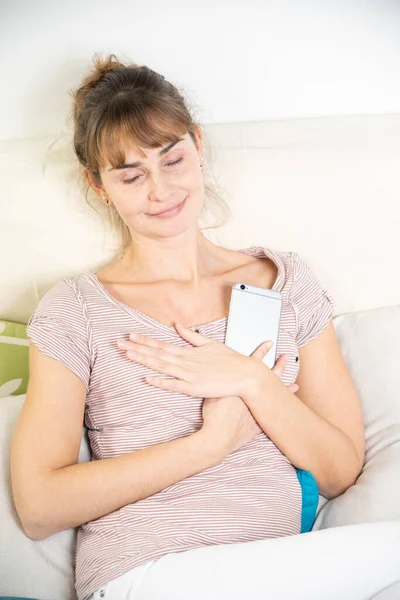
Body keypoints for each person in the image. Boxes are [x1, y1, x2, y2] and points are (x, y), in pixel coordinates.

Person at [10, 53, 367, 600]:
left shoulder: (285, 282)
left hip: (283, 568)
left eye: (173, 160)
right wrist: (211, 444)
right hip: (147, 573)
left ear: (198, 147)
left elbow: (341, 470)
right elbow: (38, 508)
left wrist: (253, 382)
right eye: (131, 175)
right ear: (99, 185)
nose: (160, 191)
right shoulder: (75, 310)